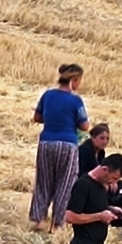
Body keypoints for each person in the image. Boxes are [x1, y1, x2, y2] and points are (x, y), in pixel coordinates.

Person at [28, 64, 90, 232]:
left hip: (47, 142)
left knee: (44, 181)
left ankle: (38, 219)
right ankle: (57, 223)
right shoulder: (75, 100)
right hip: (68, 143)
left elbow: (37, 117)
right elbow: (84, 126)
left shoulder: (48, 95)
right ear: (74, 80)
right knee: (65, 183)